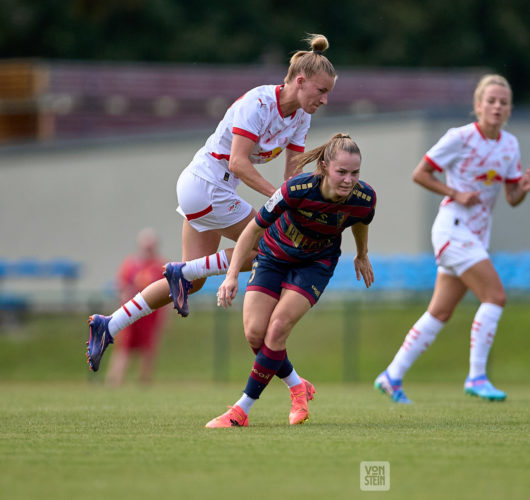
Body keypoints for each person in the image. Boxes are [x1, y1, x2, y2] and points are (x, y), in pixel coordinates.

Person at [86, 35, 336, 408]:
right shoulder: (259, 102)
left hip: (211, 192)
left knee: (195, 278)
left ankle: (109, 325)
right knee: (264, 247)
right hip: (205, 186)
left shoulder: (300, 117)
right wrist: (280, 202)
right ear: (299, 81)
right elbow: (237, 162)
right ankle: (178, 274)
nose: (324, 99)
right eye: (321, 90)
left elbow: (291, 173)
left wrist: (298, 200)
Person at [374, 74, 530, 404]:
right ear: (478, 106)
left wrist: (523, 190)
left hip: (475, 236)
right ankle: (477, 376)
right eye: (490, 101)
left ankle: (392, 376)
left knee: (440, 312)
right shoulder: (459, 138)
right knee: (495, 296)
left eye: (503, 102)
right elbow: (420, 173)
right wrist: (454, 193)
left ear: (510, 109)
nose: (497, 106)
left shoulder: (510, 145)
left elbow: (511, 197)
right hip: (453, 229)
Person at [205, 133, 375, 427]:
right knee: (256, 335)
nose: (349, 180)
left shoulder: (364, 198)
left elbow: (360, 221)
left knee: (278, 327)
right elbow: (252, 231)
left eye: (355, 173)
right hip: (273, 256)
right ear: (323, 167)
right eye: (342, 172)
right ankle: (298, 387)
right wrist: (231, 276)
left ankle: (240, 411)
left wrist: (362, 254)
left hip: (315, 264)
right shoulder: (296, 189)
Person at [105, 228, 168, 386]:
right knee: (123, 348)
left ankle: (144, 381)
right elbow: (122, 286)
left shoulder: (161, 266)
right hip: (131, 314)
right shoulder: (130, 265)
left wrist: (165, 317)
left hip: (151, 315)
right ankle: (114, 381)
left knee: (148, 349)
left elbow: (167, 292)